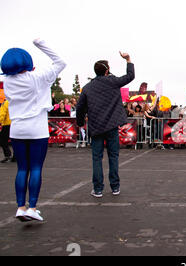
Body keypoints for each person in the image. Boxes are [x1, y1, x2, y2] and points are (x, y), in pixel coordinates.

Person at [1, 38, 66, 221]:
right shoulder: (38, 78)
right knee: (36, 168)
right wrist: (41, 44)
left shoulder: (7, 82)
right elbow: (61, 62)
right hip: (37, 129)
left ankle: (20, 207)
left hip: (17, 129)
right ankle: (33, 207)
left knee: (22, 168)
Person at [76, 51, 135, 198]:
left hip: (96, 126)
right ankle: (115, 187)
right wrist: (128, 60)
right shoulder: (113, 82)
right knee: (113, 157)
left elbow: (80, 107)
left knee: (97, 158)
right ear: (107, 70)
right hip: (112, 126)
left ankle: (98, 189)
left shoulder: (88, 87)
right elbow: (130, 76)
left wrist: (80, 122)